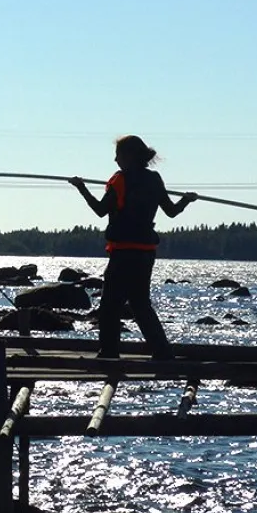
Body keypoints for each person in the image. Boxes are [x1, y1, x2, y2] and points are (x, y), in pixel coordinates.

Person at [69, 135, 197, 359]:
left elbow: (100, 210)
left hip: (123, 253)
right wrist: (186, 199)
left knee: (110, 305)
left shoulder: (120, 180)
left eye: (118, 155)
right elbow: (172, 211)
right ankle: (162, 351)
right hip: (145, 254)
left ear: (128, 156)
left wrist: (81, 188)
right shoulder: (155, 179)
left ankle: (109, 353)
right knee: (140, 304)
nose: (115, 160)